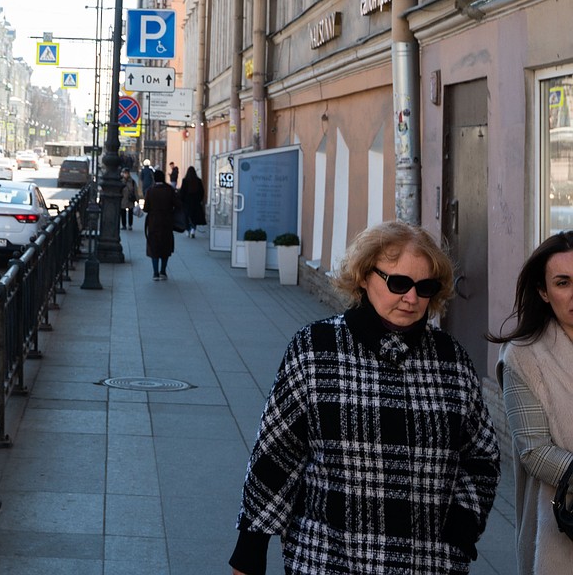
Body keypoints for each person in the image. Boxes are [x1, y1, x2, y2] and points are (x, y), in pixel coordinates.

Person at [228, 221, 500, 575]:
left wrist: (463, 528)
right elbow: (278, 452)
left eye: (425, 287)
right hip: (326, 560)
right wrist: (251, 546)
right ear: (363, 276)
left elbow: (482, 457)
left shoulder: (452, 360)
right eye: (399, 283)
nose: (412, 297)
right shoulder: (315, 348)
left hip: (428, 563)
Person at [488, 230, 573, 575]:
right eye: (563, 282)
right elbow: (534, 451)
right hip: (559, 532)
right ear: (543, 292)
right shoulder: (522, 357)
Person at [142, 167, 181, 280]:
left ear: (154, 179)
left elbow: (145, 208)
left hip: (153, 222)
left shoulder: (150, 191)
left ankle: (155, 273)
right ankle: (163, 271)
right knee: (165, 246)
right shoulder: (169, 190)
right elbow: (178, 204)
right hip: (167, 222)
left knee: (154, 246)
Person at [179, 164, 206, 239]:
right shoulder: (198, 181)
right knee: (194, 217)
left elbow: (182, 192)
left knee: (187, 217)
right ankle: (193, 230)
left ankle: (188, 230)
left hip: (187, 203)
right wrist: (199, 200)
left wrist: (181, 201)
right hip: (196, 203)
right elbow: (202, 192)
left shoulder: (185, 181)